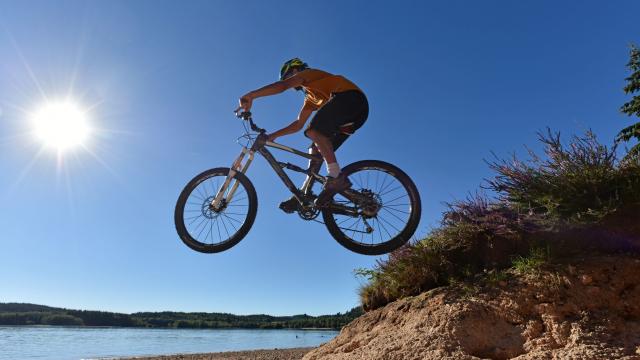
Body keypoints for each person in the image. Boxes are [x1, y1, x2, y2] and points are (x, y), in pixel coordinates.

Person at [235, 58, 369, 213]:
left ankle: (336, 178)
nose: (290, 81)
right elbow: (298, 124)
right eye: (288, 78)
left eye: (289, 76)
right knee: (316, 149)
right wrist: (273, 135)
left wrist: (251, 95)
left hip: (351, 99)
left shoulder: (308, 74)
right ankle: (308, 191)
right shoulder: (311, 97)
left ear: (295, 70)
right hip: (355, 115)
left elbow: (282, 87)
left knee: (314, 131)